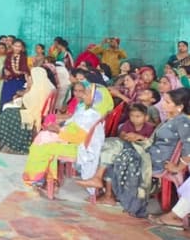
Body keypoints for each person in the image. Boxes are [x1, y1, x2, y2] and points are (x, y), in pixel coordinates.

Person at [76, 88, 190, 217]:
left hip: (153, 159)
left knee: (115, 146)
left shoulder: (183, 121)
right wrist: (141, 139)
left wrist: (178, 167)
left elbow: (188, 146)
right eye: (164, 100)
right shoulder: (172, 119)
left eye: (167, 102)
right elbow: (158, 141)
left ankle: (104, 188)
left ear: (180, 106)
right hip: (149, 152)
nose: (163, 104)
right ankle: (103, 187)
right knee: (112, 145)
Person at [22, 82, 105, 188]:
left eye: (86, 94)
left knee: (42, 147)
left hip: (80, 149)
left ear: (94, 99)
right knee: (43, 137)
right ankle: (43, 176)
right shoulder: (88, 111)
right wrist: (59, 128)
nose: (83, 96)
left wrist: (59, 132)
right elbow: (74, 126)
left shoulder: (90, 116)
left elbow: (79, 138)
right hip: (74, 142)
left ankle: (36, 178)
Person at [75, 103, 154, 209]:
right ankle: (107, 194)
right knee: (108, 155)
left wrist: (139, 137)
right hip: (124, 148)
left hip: (138, 152)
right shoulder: (128, 124)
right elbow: (121, 135)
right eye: (132, 116)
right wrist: (126, 136)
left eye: (138, 116)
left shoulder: (149, 128)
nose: (134, 119)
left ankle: (102, 186)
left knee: (110, 151)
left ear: (146, 117)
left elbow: (150, 143)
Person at [0, 67, 55, 154]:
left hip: (32, 114)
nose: (30, 78)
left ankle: (11, 144)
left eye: (31, 76)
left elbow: (27, 102)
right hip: (36, 112)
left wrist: (28, 88)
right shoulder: (46, 85)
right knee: (9, 110)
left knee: (6, 114)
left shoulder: (37, 89)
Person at [1, 39, 30, 108]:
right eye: (15, 46)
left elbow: (25, 70)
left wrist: (27, 82)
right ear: (12, 46)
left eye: (19, 46)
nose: (17, 48)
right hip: (8, 82)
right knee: (6, 99)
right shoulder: (8, 55)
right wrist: (4, 70)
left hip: (19, 82)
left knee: (17, 101)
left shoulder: (23, 57)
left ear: (22, 48)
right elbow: (5, 66)